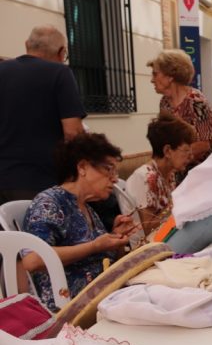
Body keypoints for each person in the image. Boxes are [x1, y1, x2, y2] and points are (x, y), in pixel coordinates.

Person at [22, 133, 137, 310]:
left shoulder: (86, 208)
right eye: (109, 169)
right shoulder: (49, 203)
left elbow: (105, 261)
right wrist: (95, 246)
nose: (114, 178)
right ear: (82, 167)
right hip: (67, 307)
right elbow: (33, 260)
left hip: (103, 298)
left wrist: (117, 239)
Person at [0, 25, 86, 204]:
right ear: (62, 52)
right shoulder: (60, 73)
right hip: (41, 181)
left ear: (26, 45)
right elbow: (73, 133)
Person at [125, 113, 196, 235]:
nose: (191, 156)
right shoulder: (144, 177)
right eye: (186, 150)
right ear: (167, 151)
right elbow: (147, 228)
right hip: (147, 247)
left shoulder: (169, 174)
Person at [147, 49, 212, 164]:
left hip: (202, 170)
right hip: (177, 169)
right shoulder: (164, 103)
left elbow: (207, 143)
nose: (152, 80)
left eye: (155, 74)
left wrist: (173, 159)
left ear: (170, 76)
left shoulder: (196, 102)